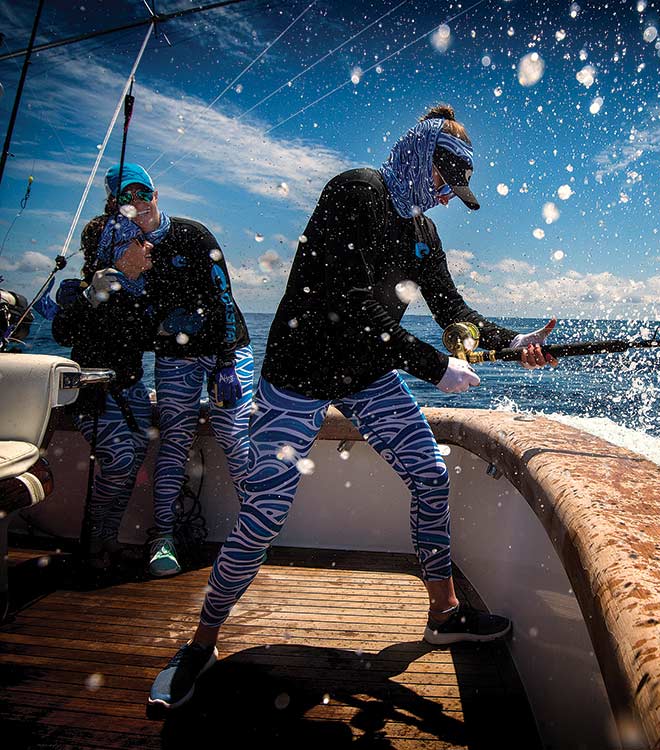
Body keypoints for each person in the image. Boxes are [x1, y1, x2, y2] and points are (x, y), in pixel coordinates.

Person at [148, 104, 557, 709]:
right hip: (298, 375)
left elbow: (454, 313)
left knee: (430, 474)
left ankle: (444, 612)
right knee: (264, 514)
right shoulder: (355, 194)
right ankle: (202, 642)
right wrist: (435, 366)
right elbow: (348, 310)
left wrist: (512, 342)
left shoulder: (424, 232)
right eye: (446, 182)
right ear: (421, 157)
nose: (446, 198)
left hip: (366, 375)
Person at [105, 164, 254, 577]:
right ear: (117, 208)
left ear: (155, 194)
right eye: (125, 198)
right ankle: (163, 536)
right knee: (175, 439)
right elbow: (127, 312)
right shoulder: (121, 247)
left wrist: (225, 363)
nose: (137, 203)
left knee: (233, 432)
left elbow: (223, 295)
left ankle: (254, 533)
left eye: (143, 193)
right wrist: (121, 274)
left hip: (227, 346)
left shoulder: (193, 234)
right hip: (174, 355)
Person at [52, 216, 156, 565]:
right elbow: (62, 333)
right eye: (140, 241)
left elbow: (150, 338)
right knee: (120, 461)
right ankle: (92, 535)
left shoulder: (143, 292)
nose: (149, 247)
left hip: (133, 394)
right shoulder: (78, 289)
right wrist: (89, 298)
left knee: (131, 467)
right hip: (94, 397)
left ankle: (107, 540)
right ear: (117, 248)